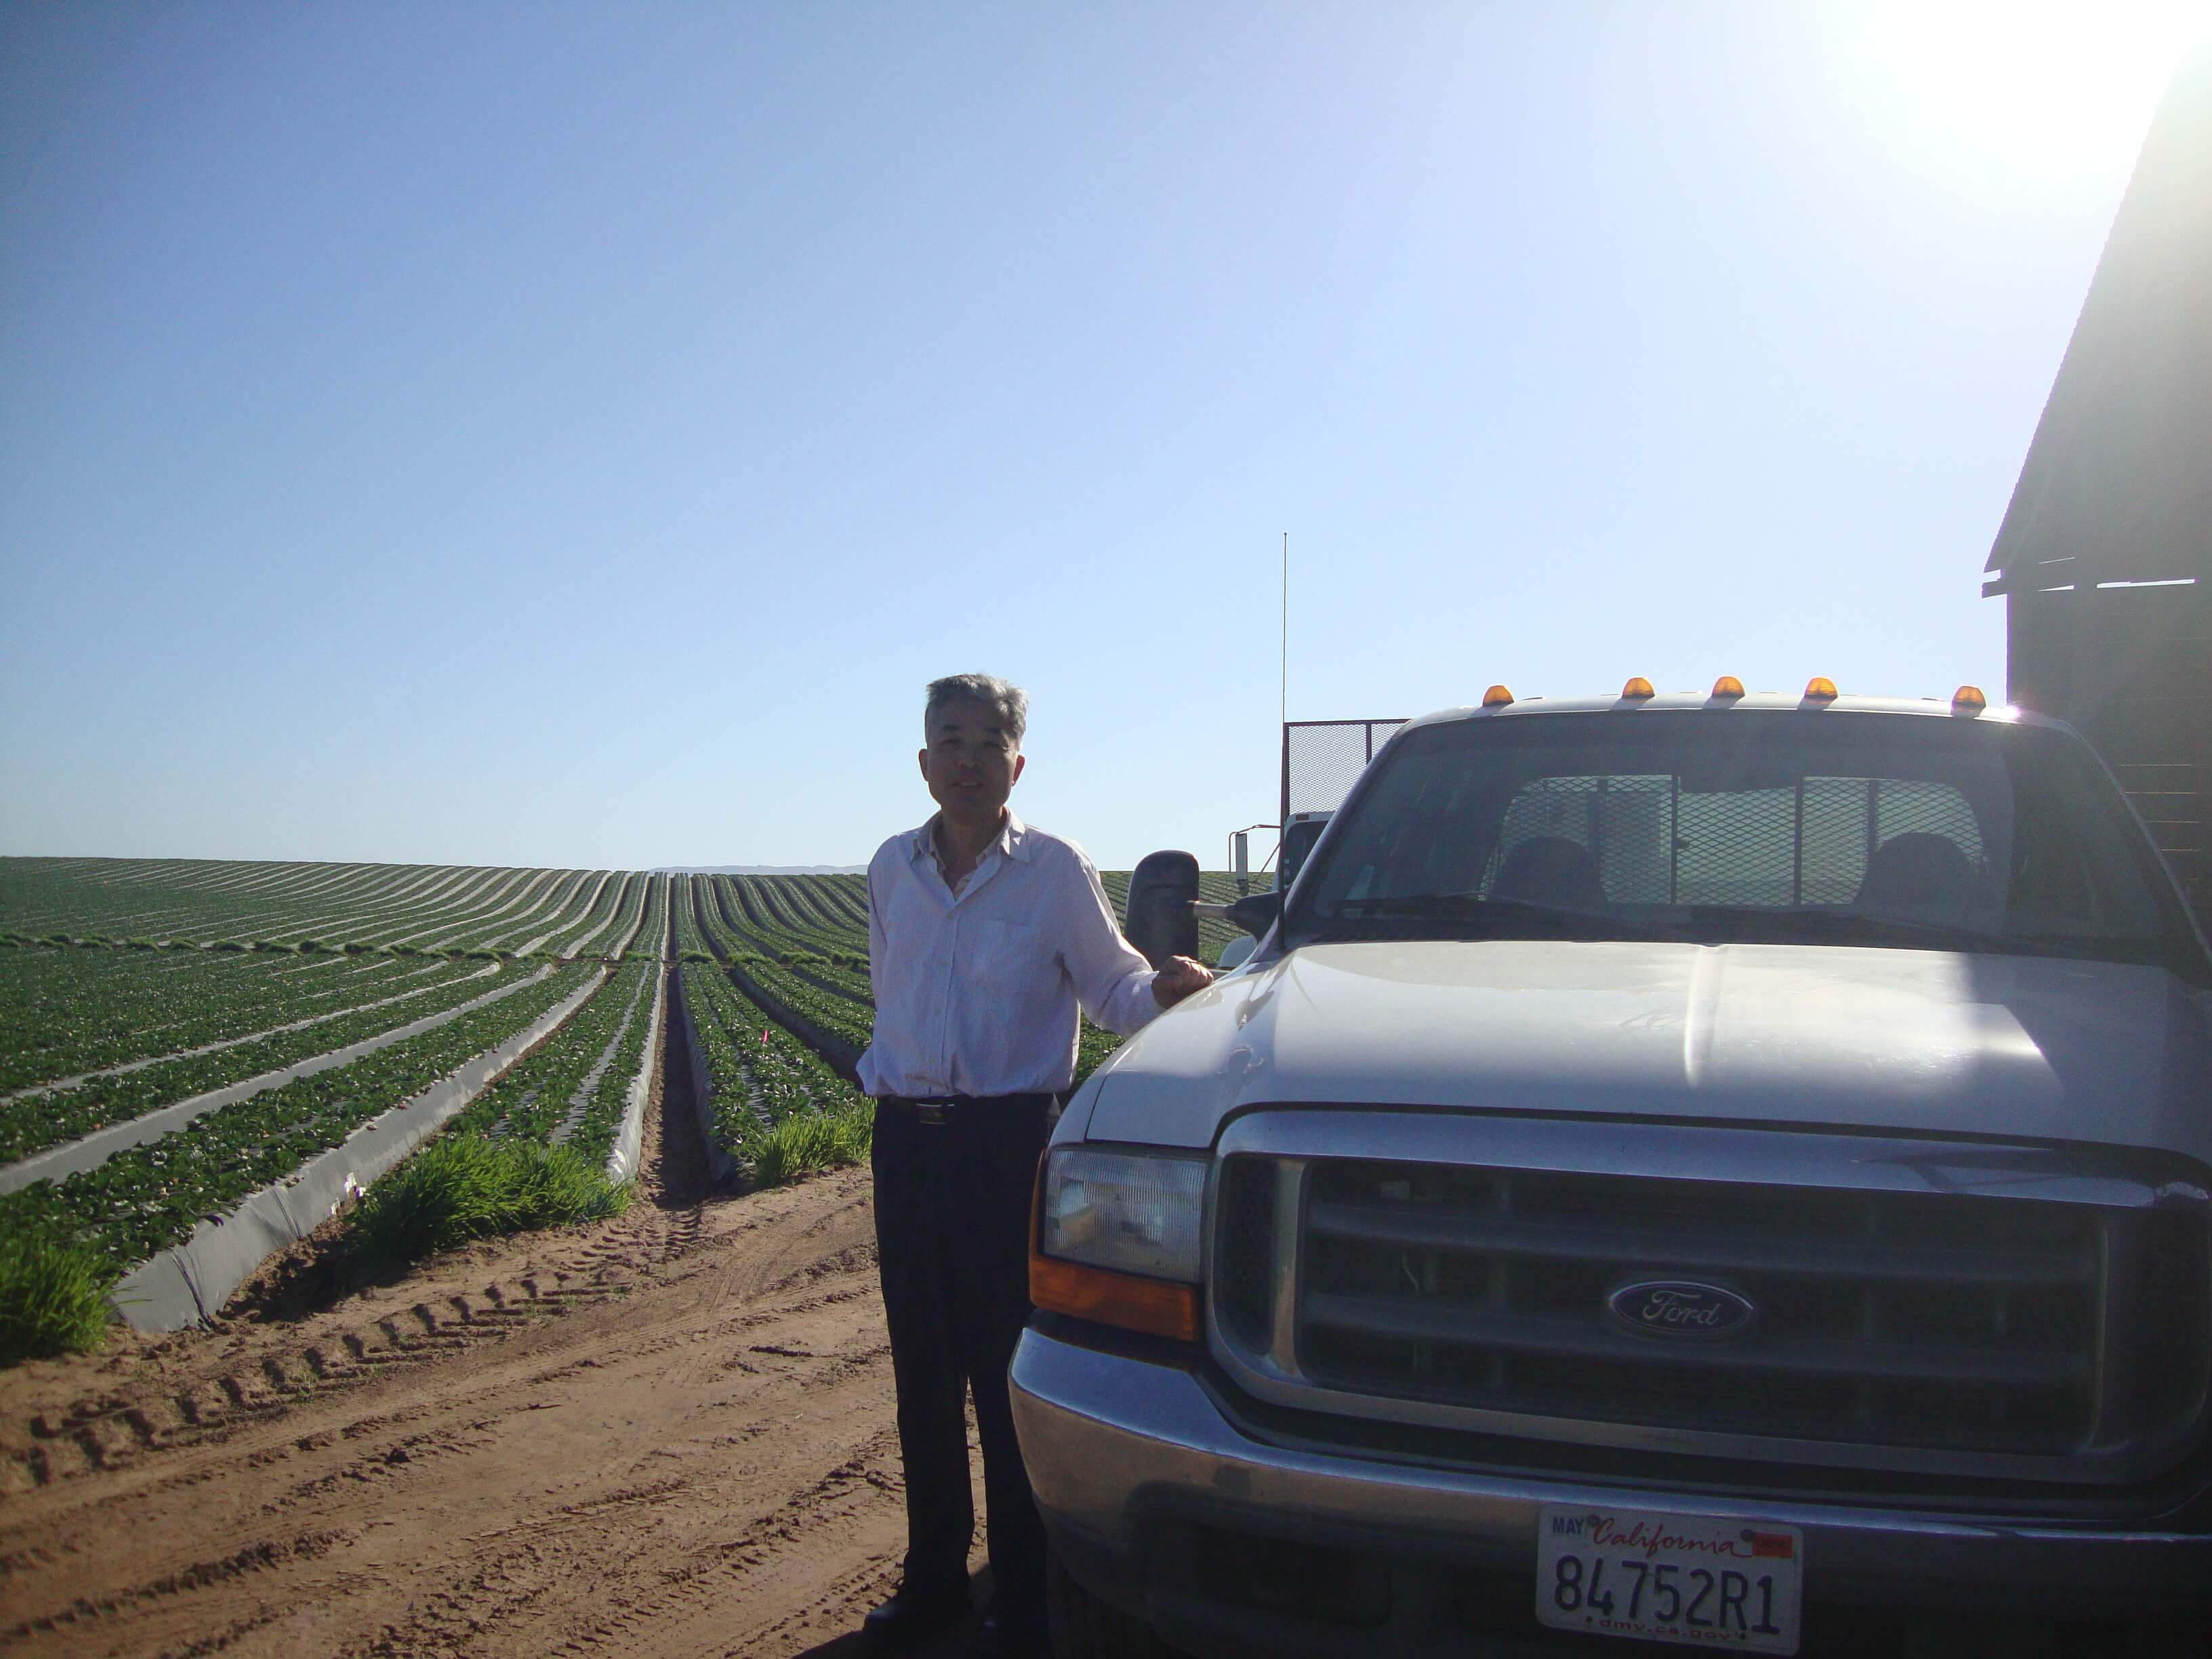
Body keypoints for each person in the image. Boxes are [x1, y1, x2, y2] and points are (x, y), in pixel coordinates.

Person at [858, 673, 1212, 1656]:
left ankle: (1020, 1592)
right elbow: (895, 993)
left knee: (1003, 1370)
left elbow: (1112, 989)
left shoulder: (1054, 869)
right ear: (924, 759)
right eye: (950, 741)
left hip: (1008, 1143)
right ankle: (934, 1579)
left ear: (1017, 764)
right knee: (920, 1370)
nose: (967, 761)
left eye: (987, 745)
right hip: (908, 1144)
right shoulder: (892, 868)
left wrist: (1173, 995)